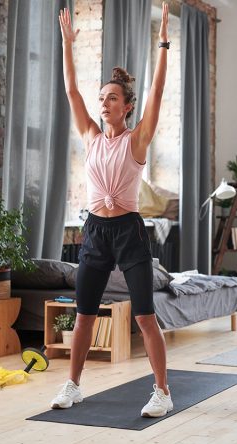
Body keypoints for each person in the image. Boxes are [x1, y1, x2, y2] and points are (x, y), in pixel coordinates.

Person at [50, 4, 173, 418]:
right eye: (101, 98)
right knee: (83, 315)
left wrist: (163, 45)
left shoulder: (136, 141)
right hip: (96, 232)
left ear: (127, 107)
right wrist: (68, 45)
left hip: (129, 231)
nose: (103, 103)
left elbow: (156, 92)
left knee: (143, 315)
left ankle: (162, 391)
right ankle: (74, 385)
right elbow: (70, 90)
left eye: (111, 98)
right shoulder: (90, 136)